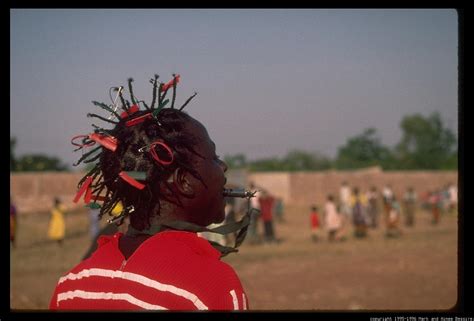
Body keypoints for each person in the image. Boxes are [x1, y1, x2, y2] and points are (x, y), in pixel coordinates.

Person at [50, 75, 249, 310]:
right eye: (214, 157)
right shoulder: (209, 287)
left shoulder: (71, 286)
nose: (223, 166)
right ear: (184, 182)